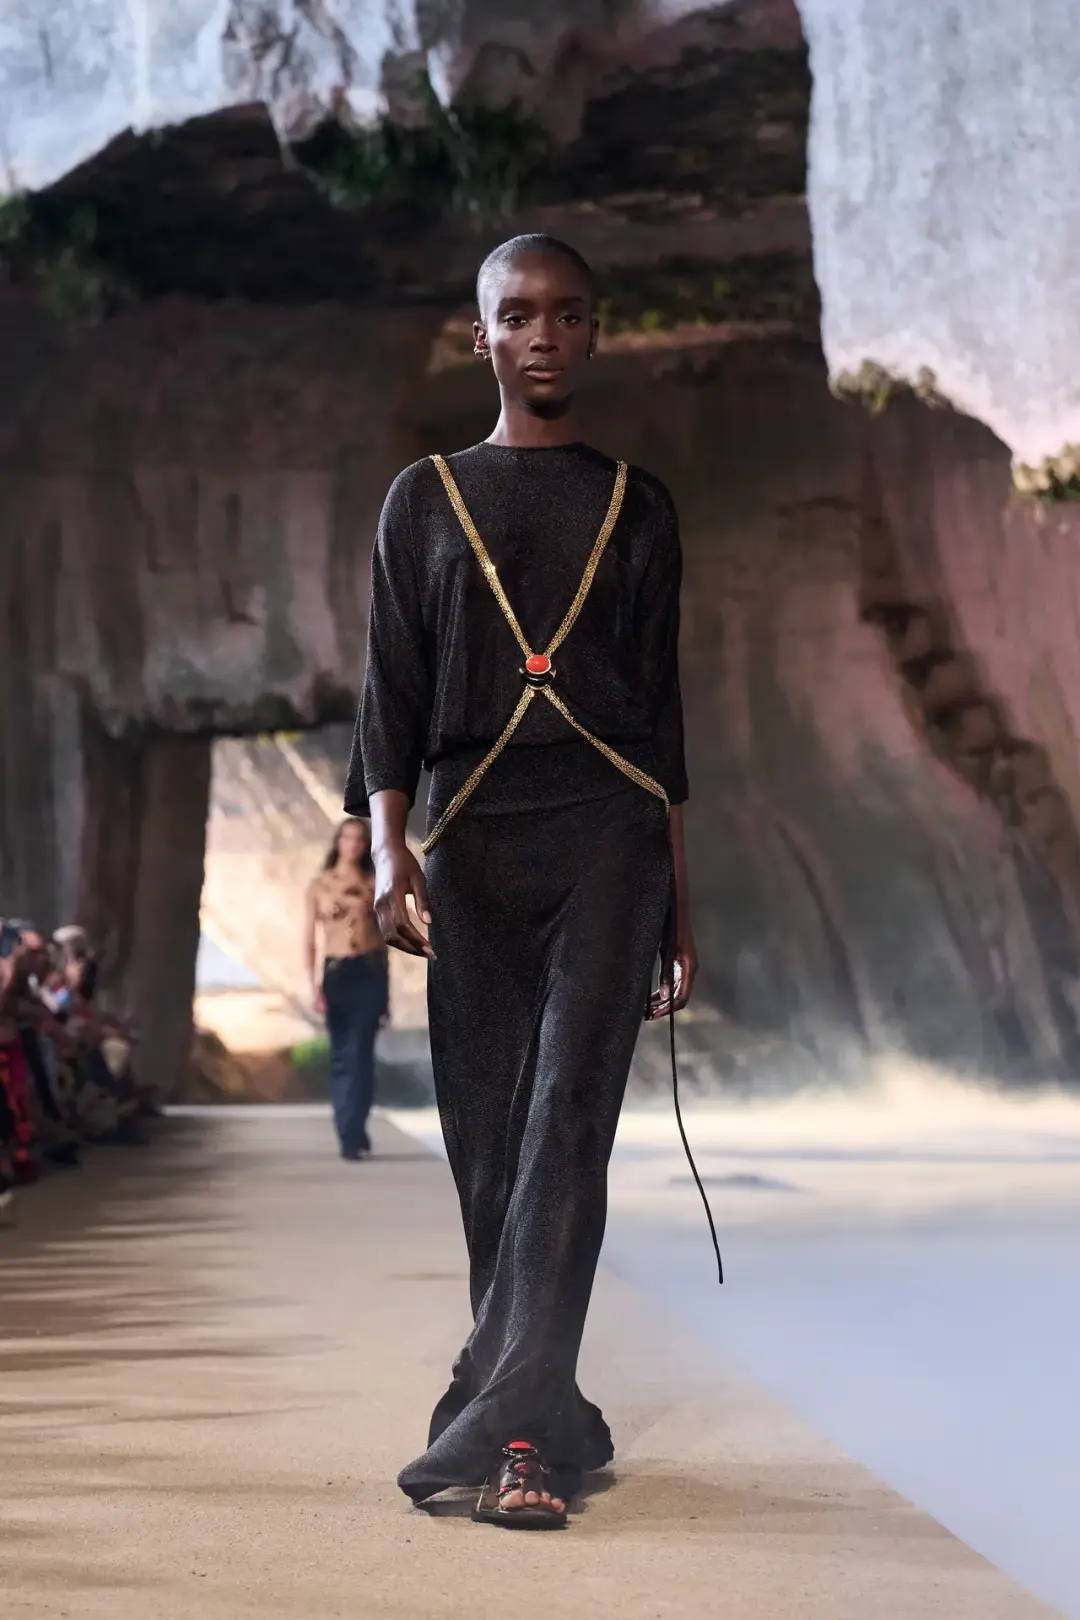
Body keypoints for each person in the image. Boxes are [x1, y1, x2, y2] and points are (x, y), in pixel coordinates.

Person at [345, 233, 704, 1528]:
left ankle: (510, 1443)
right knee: (491, 1146)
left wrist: (681, 904)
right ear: (482, 333)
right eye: (518, 314)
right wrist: (387, 850)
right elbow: (389, 693)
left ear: (594, 332)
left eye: (568, 313)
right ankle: (534, 1403)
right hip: (476, 844)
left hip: (609, 840)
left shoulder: (639, 504)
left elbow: (661, 723)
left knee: (567, 1129)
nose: (544, 334)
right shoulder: (423, 500)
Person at [305, 817, 389, 1161]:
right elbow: (308, 940)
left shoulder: (376, 882)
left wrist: (387, 995)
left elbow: (385, 939)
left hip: (369, 971)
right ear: (338, 842)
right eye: (347, 837)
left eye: (359, 839)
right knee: (343, 1055)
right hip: (337, 972)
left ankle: (355, 1128)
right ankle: (348, 1131)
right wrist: (313, 986)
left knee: (362, 1054)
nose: (353, 844)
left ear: (365, 845)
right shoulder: (320, 885)